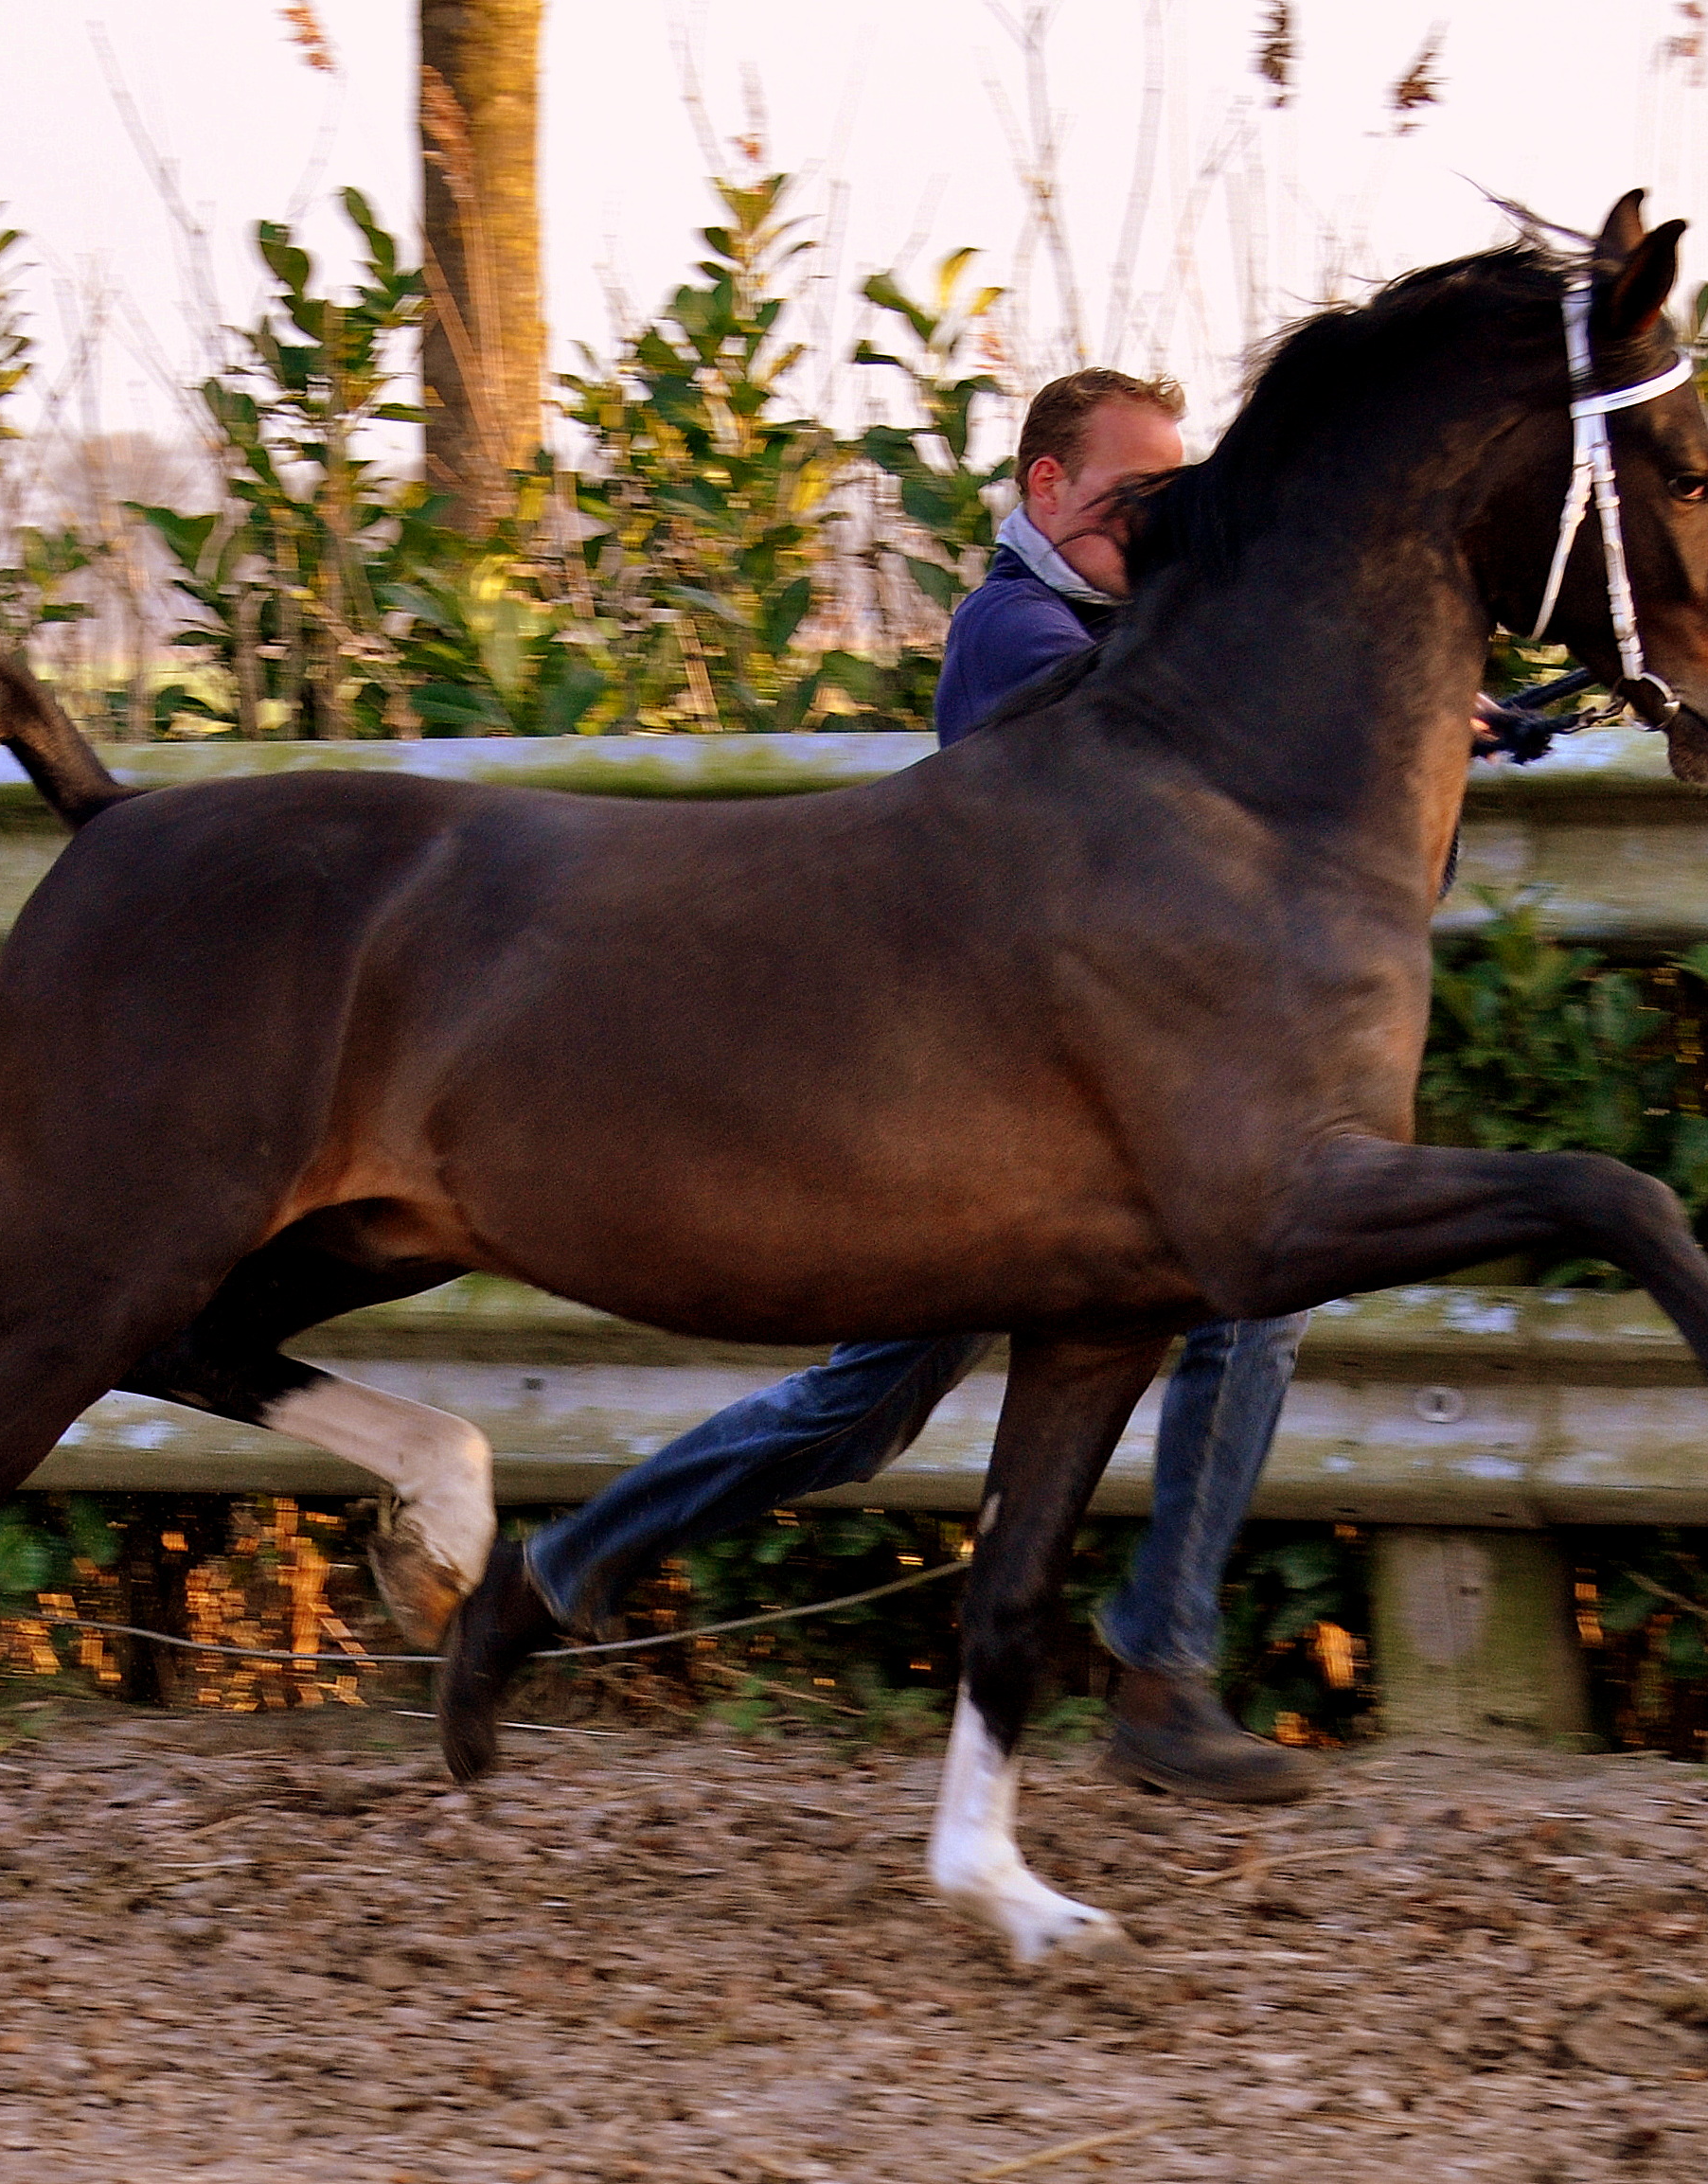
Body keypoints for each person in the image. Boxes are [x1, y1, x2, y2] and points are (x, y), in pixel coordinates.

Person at [442, 369, 1319, 1803]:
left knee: (1236, 1309)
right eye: (1126, 500)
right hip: (972, 1130)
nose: (1152, 531)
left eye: (1174, 502)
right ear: (1043, 488)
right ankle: (549, 1582)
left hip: (1082, 1124)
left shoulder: (1128, 633)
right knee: (861, 1417)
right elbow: (1070, 783)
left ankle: (1161, 1663)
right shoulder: (1012, 631)